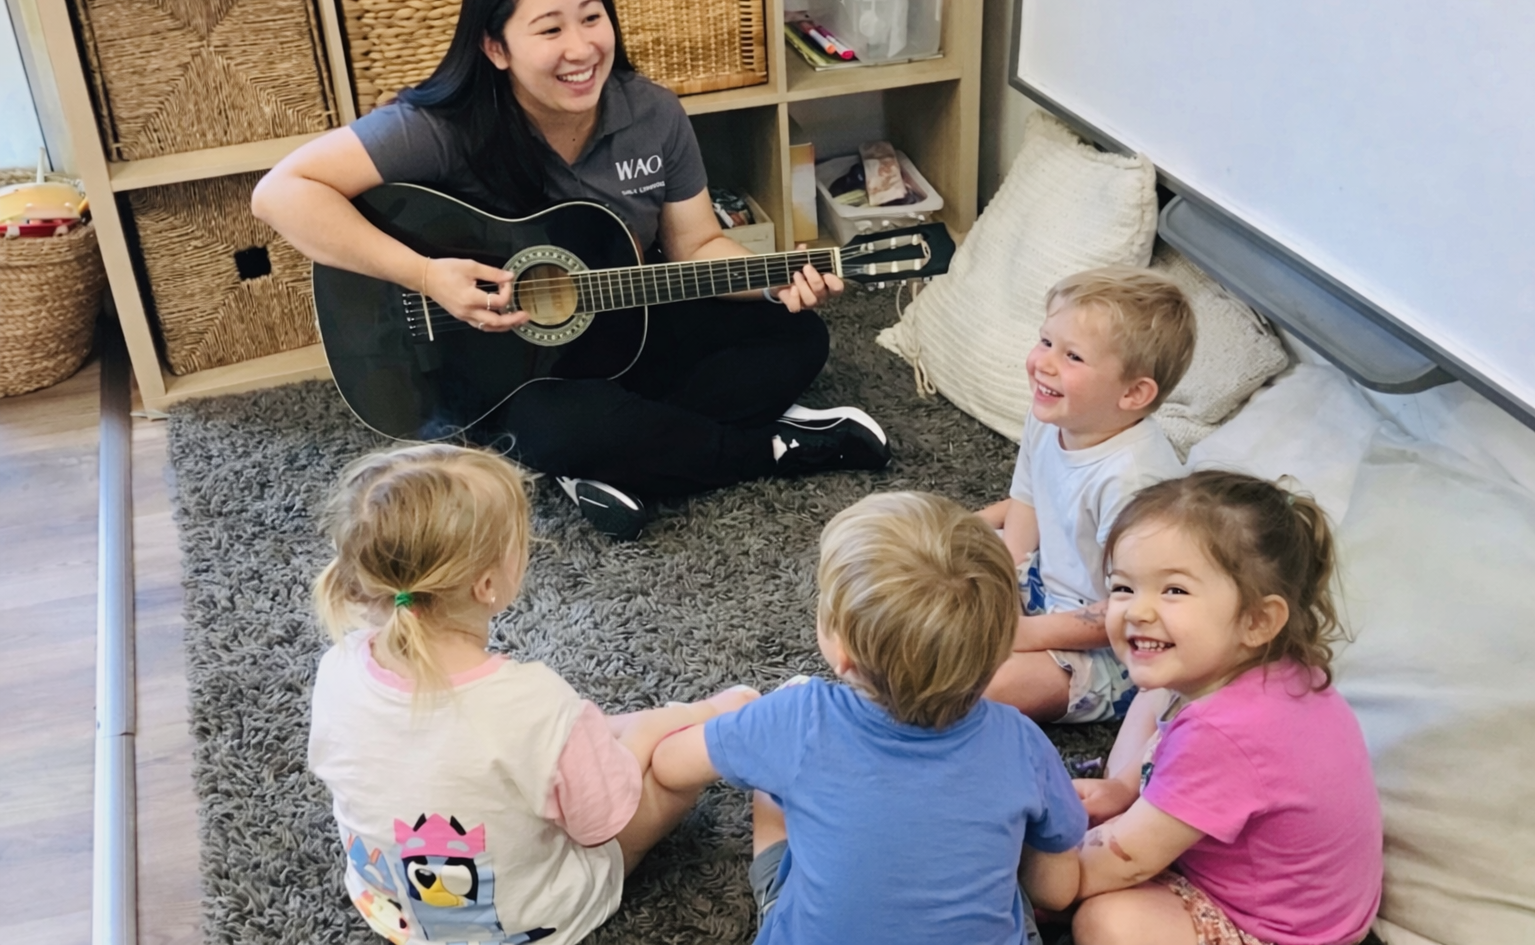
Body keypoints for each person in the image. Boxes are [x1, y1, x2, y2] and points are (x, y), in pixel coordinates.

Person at [253, 0, 889, 542]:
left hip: (627, 329)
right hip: (512, 371)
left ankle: (616, 462)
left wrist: (780, 283)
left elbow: (695, 246)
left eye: (592, 18)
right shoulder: (440, 127)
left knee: (798, 337)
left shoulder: (652, 114)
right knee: (561, 431)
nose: (581, 48)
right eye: (549, 29)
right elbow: (280, 194)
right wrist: (424, 275)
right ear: (495, 47)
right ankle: (770, 449)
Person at [306, 443, 759, 945]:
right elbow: (605, 822)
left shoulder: (339, 666)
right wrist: (655, 727)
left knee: (574, 742)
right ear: (486, 585)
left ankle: (661, 724)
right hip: (529, 923)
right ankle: (718, 719)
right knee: (665, 775)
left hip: (387, 905)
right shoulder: (530, 703)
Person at [649, 491, 1089, 945]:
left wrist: (737, 720)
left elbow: (668, 763)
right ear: (1000, 651)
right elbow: (1055, 891)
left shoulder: (797, 718)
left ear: (842, 653)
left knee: (772, 776)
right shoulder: (1021, 742)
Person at [1038, 470, 1384, 945]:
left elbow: (1116, 865)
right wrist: (1122, 788)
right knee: (1155, 684)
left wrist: (1034, 862)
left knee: (1107, 921)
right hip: (1306, 903)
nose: (1137, 611)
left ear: (1258, 620)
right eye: (1123, 587)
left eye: (1174, 590)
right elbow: (1157, 698)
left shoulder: (1225, 734)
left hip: (1279, 932)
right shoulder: (1272, 673)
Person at [978, 267, 1195, 723]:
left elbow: (1133, 610)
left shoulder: (1134, 481)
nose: (1045, 363)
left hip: (1113, 643)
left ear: (1134, 393)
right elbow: (1027, 501)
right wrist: (1003, 579)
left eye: (1073, 357)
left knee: (980, 684)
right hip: (1042, 584)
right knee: (917, 571)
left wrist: (1018, 634)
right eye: (1045, 341)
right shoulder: (1050, 412)